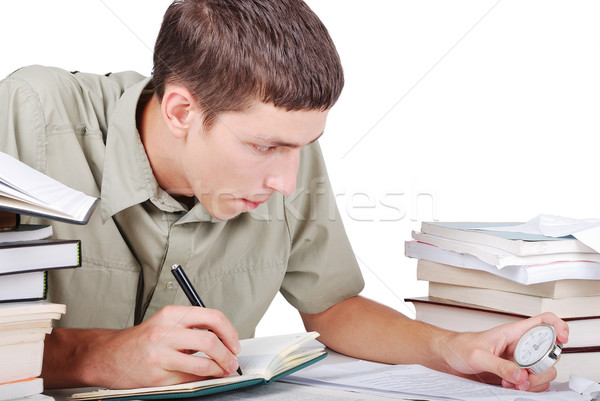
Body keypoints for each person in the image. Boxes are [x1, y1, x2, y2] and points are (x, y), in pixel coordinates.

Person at [0, 0, 567, 393]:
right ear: (180, 111)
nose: (288, 183)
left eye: (304, 146)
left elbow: (332, 306)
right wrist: (95, 356)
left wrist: (452, 349)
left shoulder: (286, 147)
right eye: (262, 147)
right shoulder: (29, 116)